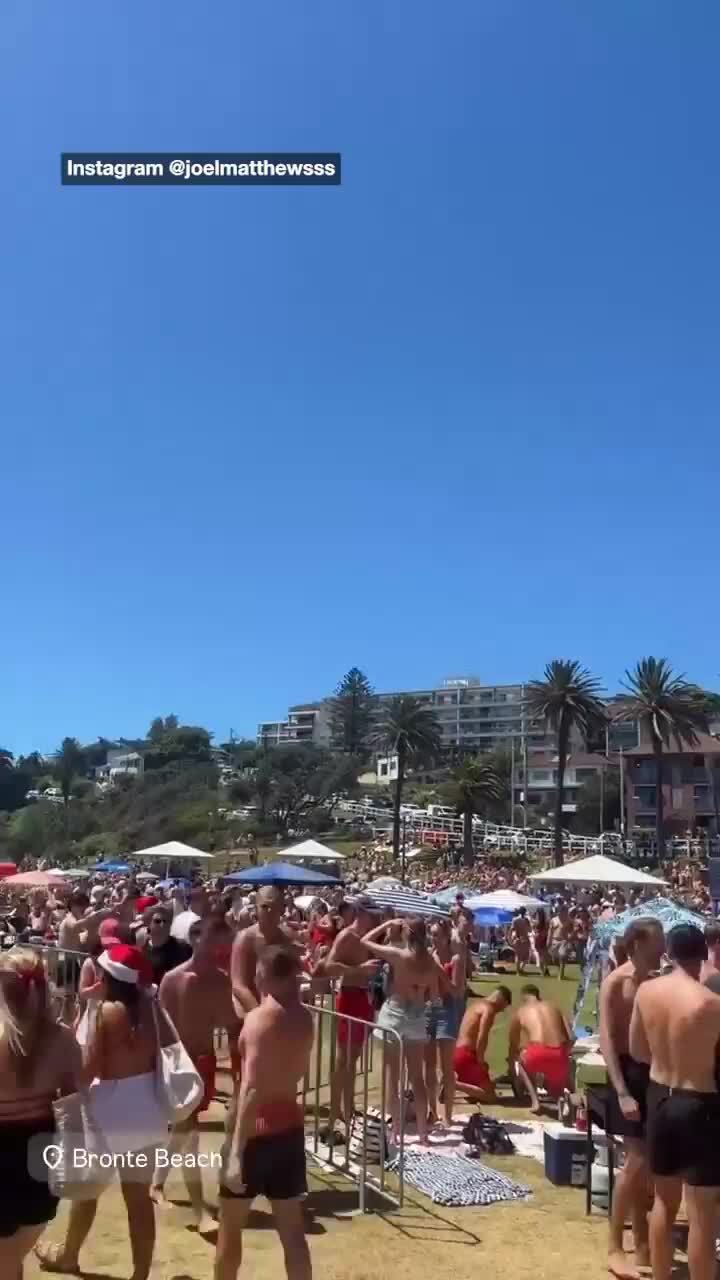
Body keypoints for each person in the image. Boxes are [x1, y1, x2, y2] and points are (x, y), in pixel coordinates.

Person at [36, 943, 167, 1280]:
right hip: (147, 1108)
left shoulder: (106, 1011)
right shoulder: (152, 1007)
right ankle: (140, 1274)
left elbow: (91, 1068)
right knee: (138, 1200)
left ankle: (68, 1256)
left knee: (87, 1189)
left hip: (109, 1110)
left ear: (109, 977)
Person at [215, 945, 313, 1280]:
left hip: (256, 1133)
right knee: (292, 1233)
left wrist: (235, 1152)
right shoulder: (304, 1017)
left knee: (229, 1232)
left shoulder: (259, 1020)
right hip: (289, 1128)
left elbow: (252, 1088)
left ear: (267, 975)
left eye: (258, 972)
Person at [630, 925, 720, 1280]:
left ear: (668, 953)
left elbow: (638, 1050)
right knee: (702, 1214)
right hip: (699, 1103)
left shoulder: (647, 991)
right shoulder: (710, 1003)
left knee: (664, 1205)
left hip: (660, 1098)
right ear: (703, 956)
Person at [151, 910, 237, 1234]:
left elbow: (229, 1023)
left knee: (183, 1133)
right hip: (178, 1063)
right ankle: (201, 1212)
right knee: (191, 1135)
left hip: (204, 1060)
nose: (215, 945)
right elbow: (161, 1025)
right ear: (194, 938)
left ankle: (156, 1184)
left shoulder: (221, 979)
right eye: (209, 937)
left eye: (219, 939)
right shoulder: (174, 979)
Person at [0, 949, 80, 1280]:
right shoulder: (63, 1039)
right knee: (11, 1257)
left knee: (5, 1261)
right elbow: (76, 1101)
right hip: (41, 1153)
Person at [599, 917, 665, 1280]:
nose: (663, 950)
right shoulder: (615, 982)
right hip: (625, 1074)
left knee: (650, 1164)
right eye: (658, 943)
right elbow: (607, 1040)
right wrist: (621, 1091)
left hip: (652, 1075)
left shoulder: (657, 982)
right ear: (638, 944)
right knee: (636, 1159)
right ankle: (615, 1246)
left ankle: (642, 1239)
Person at [362, 916, 443, 1145]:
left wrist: (386, 925)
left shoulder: (398, 955)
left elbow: (365, 941)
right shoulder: (431, 961)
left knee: (392, 1077)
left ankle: (395, 1132)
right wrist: (421, 993)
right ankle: (423, 1133)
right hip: (416, 1017)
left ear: (407, 933)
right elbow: (435, 998)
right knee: (417, 1078)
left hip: (394, 1016)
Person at [312, 896, 381, 1145]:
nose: (375, 917)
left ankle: (348, 1109)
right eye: (371, 913)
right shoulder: (347, 936)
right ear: (360, 912)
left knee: (354, 1060)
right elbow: (328, 967)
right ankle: (336, 1114)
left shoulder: (369, 935)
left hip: (364, 998)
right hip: (349, 998)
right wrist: (359, 970)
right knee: (343, 1061)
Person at [230, 885, 299, 1019]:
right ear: (255, 909)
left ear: (281, 909)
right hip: (249, 1010)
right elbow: (239, 985)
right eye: (264, 906)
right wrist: (260, 1014)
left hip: (278, 1009)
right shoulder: (245, 938)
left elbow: (291, 978)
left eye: (274, 907)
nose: (269, 911)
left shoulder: (286, 937)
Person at [424, 918, 465, 1126]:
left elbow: (457, 991)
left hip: (448, 1009)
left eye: (437, 935)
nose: (434, 939)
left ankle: (448, 1115)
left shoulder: (456, 959)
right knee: (428, 1066)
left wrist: (440, 971)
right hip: (429, 1009)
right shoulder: (430, 955)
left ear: (447, 937)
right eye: (431, 934)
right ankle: (432, 1111)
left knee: (446, 1067)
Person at [507, 984, 571, 1114]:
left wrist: (512, 1071)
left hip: (536, 1053)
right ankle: (559, 1100)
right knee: (555, 1090)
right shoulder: (554, 1007)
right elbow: (570, 1037)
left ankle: (535, 1101)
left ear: (524, 997)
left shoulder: (521, 1011)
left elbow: (513, 1046)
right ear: (538, 995)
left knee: (522, 1063)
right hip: (559, 1053)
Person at [453, 987, 512, 1102]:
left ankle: (457, 1084)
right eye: (502, 1008)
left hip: (457, 1053)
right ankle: (452, 1084)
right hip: (466, 1056)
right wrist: (480, 1061)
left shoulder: (475, 1005)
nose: (500, 1011)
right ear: (502, 1001)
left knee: (479, 1092)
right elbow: (482, 1036)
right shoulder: (488, 1009)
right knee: (490, 1097)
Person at [143, 905, 192, 983]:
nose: (162, 925)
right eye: (157, 921)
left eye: (166, 921)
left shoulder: (183, 948)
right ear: (149, 924)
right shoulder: (143, 948)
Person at [548, 902, 574, 980]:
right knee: (554, 959)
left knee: (562, 956)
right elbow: (550, 931)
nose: (563, 913)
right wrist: (548, 941)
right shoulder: (553, 920)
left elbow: (571, 931)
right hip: (554, 941)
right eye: (561, 911)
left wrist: (570, 938)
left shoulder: (569, 920)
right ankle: (560, 970)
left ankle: (561, 976)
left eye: (565, 911)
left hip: (564, 941)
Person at [510, 909, 531, 975]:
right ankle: (520, 969)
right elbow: (529, 929)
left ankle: (519, 970)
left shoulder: (515, 919)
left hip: (519, 939)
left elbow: (512, 929)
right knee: (525, 957)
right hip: (523, 939)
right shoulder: (525, 920)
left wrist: (511, 938)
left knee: (519, 956)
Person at [531, 909, 550, 976]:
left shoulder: (536, 922)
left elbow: (533, 928)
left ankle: (543, 971)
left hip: (538, 939)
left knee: (540, 956)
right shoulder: (546, 922)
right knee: (544, 956)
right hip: (544, 939)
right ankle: (545, 969)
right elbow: (547, 930)